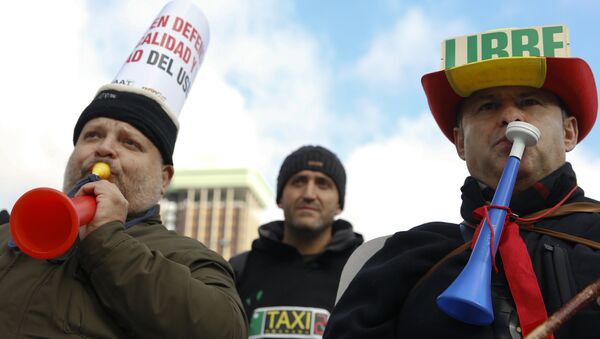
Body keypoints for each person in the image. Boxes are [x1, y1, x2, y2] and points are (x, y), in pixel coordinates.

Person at [324, 25, 600, 339]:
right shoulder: (408, 258)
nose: (511, 116)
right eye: (488, 106)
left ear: (569, 132)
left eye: (530, 101)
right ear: (461, 143)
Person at [230, 145, 363, 338]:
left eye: (323, 184)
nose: (309, 194)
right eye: (299, 182)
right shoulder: (238, 270)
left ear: (339, 204)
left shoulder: (365, 270)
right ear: (280, 198)